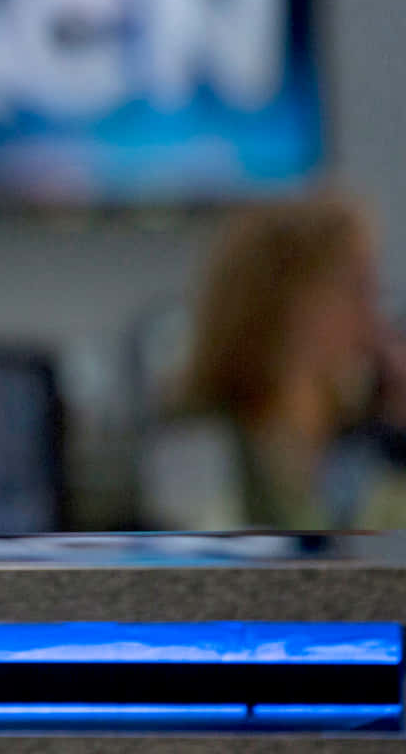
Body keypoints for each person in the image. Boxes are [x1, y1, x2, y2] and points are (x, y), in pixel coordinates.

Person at [146, 193, 406, 531]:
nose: (372, 315)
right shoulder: (192, 438)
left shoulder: (369, 438)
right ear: (285, 302)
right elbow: (197, 575)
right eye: (354, 289)